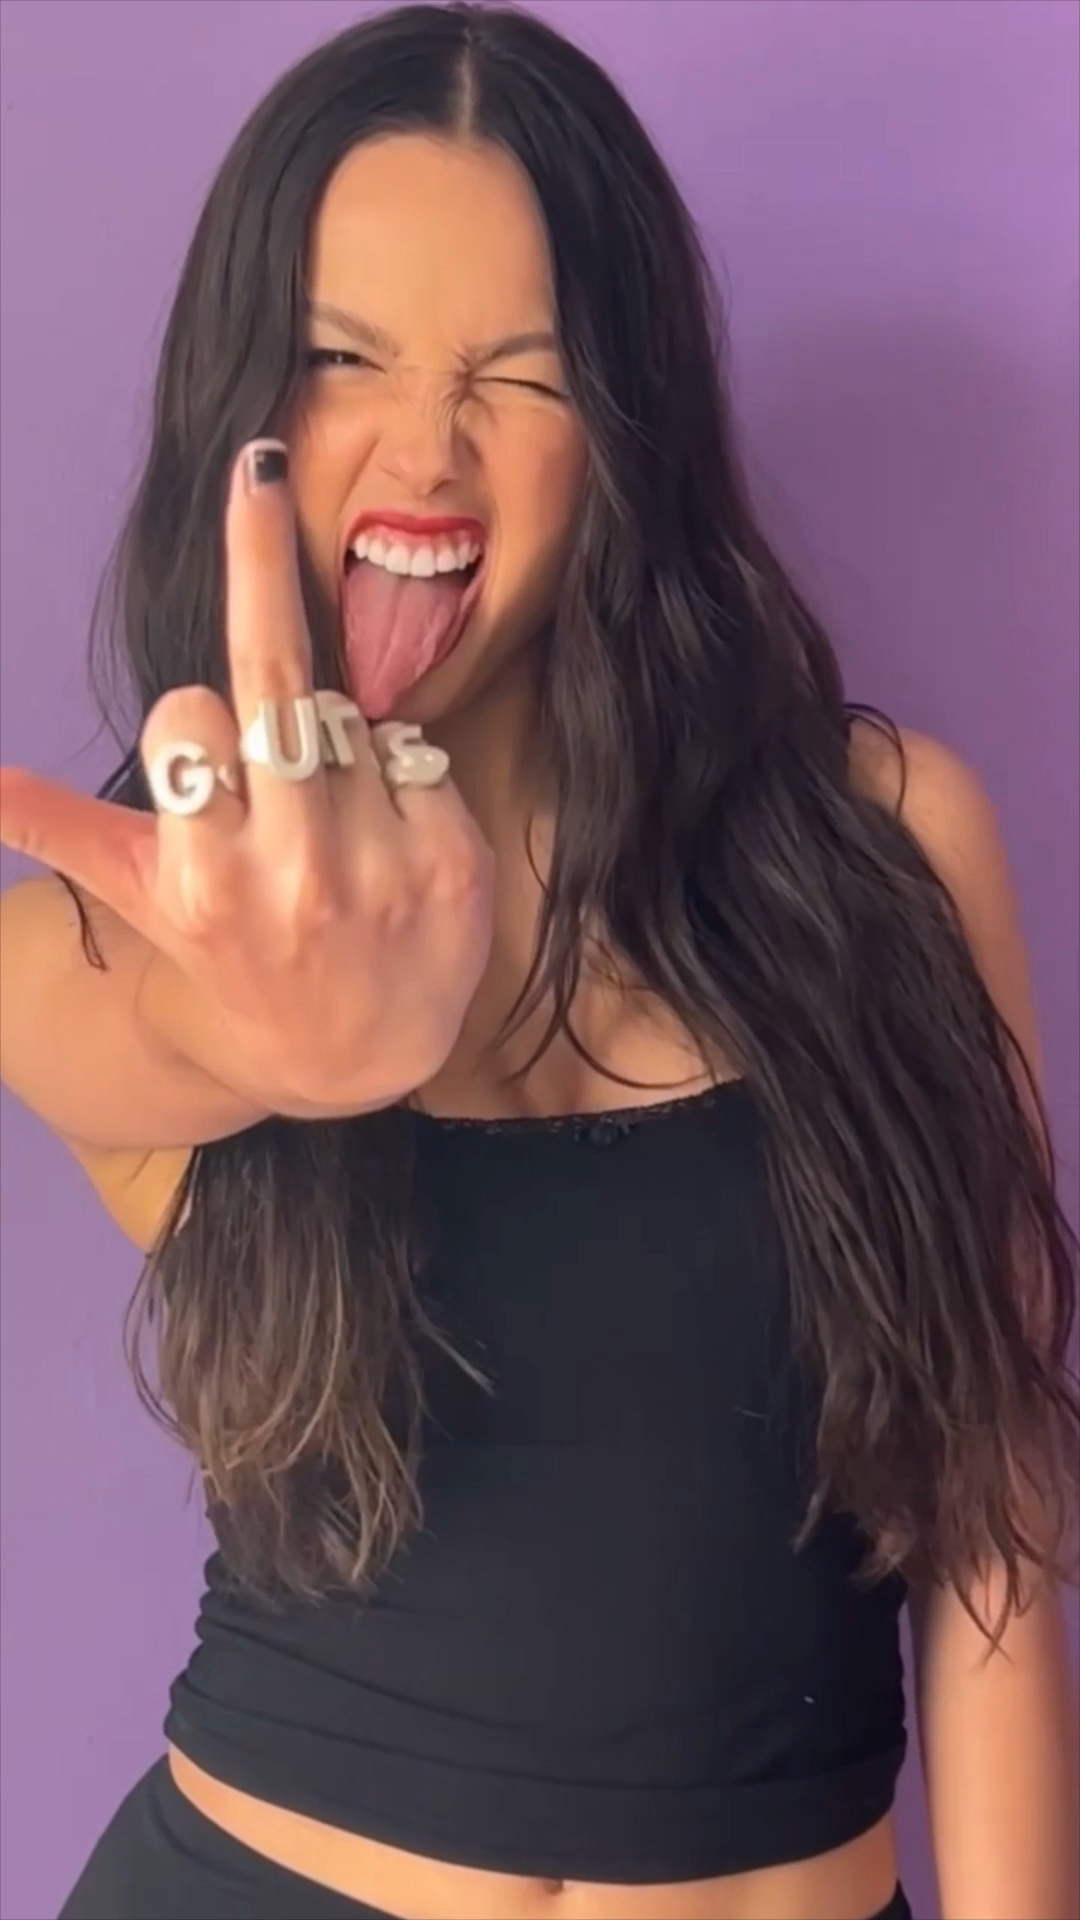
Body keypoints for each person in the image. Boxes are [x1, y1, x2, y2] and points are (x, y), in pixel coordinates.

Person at [1, 5, 1077, 1918]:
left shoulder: (892, 842)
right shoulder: (158, 905)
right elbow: (129, 1038)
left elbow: (990, 1533)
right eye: (344, 358)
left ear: (628, 432)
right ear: (246, 407)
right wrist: (275, 1030)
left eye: (523, 373)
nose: (428, 447)